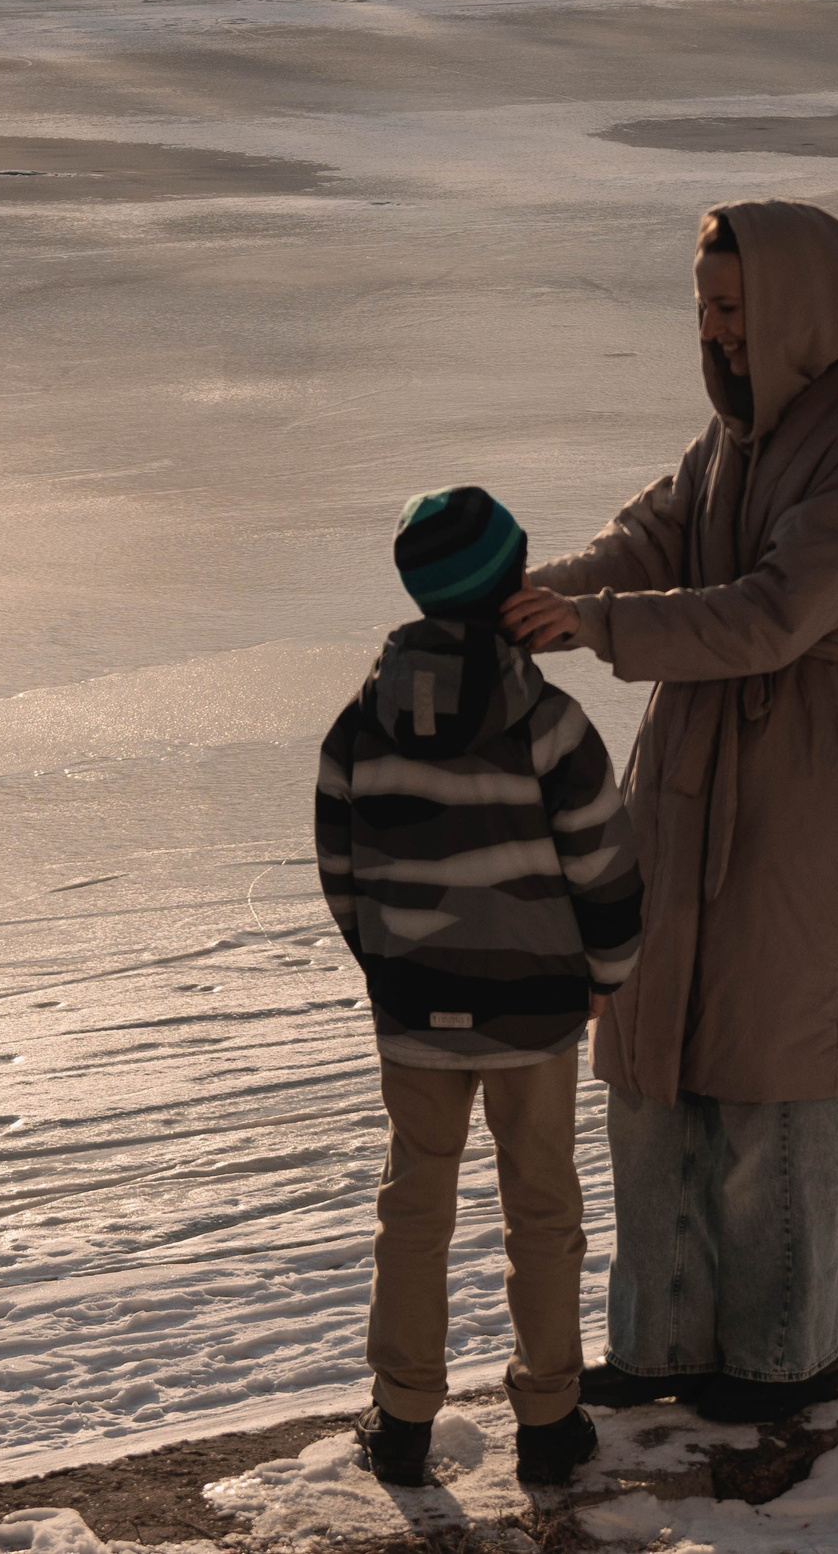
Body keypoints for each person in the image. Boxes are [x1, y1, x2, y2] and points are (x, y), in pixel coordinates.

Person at [501, 202, 838, 1425]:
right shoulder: (730, 437)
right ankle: (661, 1346)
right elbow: (645, 544)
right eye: (702, 306)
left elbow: (774, 612)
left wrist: (596, 626)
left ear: (797, 308)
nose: (713, 329)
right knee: (654, 1065)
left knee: (766, 1076)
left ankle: (784, 1362)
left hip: (793, 774)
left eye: (733, 307)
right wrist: (526, 601)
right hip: (684, 762)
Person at [316, 485, 646, 1488]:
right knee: (541, 1209)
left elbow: (341, 867)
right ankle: (549, 1419)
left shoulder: (361, 721)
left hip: (414, 1006)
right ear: (510, 588)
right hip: (534, 1008)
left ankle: (402, 1419)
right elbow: (604, 864)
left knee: (414, 1205)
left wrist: (387, 965)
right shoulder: (546, 720)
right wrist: (605, 975)